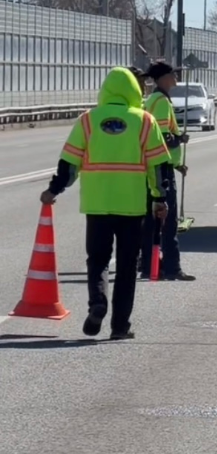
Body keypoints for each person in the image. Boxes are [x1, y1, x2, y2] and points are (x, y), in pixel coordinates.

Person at [40, 67, 172, 340]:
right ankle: (120, 327)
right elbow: (159, 166)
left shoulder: (88, 120)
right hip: (132, 206)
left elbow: (69, 163)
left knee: (98, 260)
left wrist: (54, 190)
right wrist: (160, 198)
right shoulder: (145, 121)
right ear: (134, 90)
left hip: (97, 204)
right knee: (127, 266)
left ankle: (98, 303)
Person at [139, 62, 195, 281]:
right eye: (173, 74)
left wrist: (177, 163)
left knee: (152, 220)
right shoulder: (161, 102)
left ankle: (149, 265)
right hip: (161, 169)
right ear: (163, 78)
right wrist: (180, 138)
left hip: (155, 166)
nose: (176, 78)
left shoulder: (153, 99)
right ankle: (172, 268)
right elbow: (162, 137)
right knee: (168, 221)